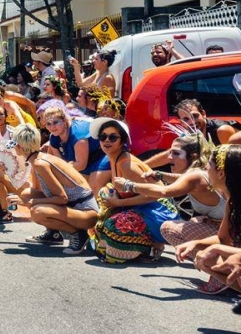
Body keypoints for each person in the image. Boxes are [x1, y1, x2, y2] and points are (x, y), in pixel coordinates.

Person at [116, 134, 225, 293]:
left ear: (193, 156)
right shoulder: (199, 172)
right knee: (193, 222)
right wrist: (160, 175)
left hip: (230, 234)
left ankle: (220, 272)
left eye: (176, 153)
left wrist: (129, 185)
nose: (169, 157)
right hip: (226, 229)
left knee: (168, 229)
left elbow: (163, 191)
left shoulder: (195, 176)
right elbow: (180, 178)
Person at [91, 118, 180, 264]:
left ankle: (151, 245)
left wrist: (119, 202)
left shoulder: (127, 166)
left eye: (113, 137)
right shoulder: (114, 158)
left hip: (158, 212)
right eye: (103, 136)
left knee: (114, 226)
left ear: (122, 141)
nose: (107, 140)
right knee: (104, 195)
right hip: (141, 207)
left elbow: (154, 194)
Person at [14, 123, 99, 255]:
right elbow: (38, 190)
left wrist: (31, 203)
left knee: (38, 211)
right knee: (26, 194)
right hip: (76, 208)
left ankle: (78, 235)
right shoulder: (38, 158)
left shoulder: (40, 163)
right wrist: (25, 199)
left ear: (19, 147)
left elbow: (62, 198)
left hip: (86, 214)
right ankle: (53, 233)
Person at [176, 145, 241, 295]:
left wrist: (217, 249)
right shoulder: (233, 202)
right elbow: (222, 239)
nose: (206, 167)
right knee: (203, 259)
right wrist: (195, 244)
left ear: (221, 173)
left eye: (209, 165)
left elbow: (221, 245)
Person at [44, 106, 110, 196]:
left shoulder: (78, 136)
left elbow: (81, 164)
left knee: (93, 186)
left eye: (55, 122)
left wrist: (62, 169)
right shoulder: (54, 137)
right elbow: (58, 163)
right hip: (85, 159)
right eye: (48, 124)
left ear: (64, 121)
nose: (52, 127)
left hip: (102, 154)